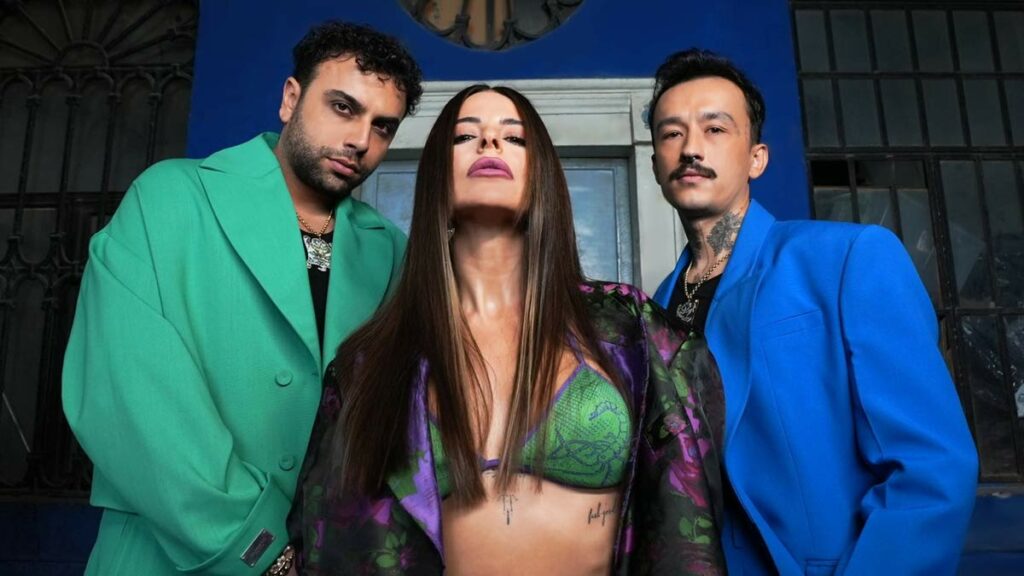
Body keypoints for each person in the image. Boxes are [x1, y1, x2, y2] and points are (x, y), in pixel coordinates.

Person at [287, 84, 726, 575]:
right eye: (465, 136)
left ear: (542, 175)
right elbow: (327, 532)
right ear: (436, 176)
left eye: (514, 138)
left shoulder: (629, 327)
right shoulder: (370, 362)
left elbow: (690, 493)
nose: (490, 143)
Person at [61, 21, 422, 576]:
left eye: (383, 126)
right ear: (291, 98)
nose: (360, 140)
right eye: (343, 107)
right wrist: (262, 551)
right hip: (161, 556)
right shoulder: (170, 198)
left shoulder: (390, 251)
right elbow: (130, 394)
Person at [649, 48, 978, 575]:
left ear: (756, 158)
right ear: (656, 165)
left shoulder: (847, 257)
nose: (690, 148)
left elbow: (933, 468)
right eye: (671, 134)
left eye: (715, 129)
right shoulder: (656, 307)